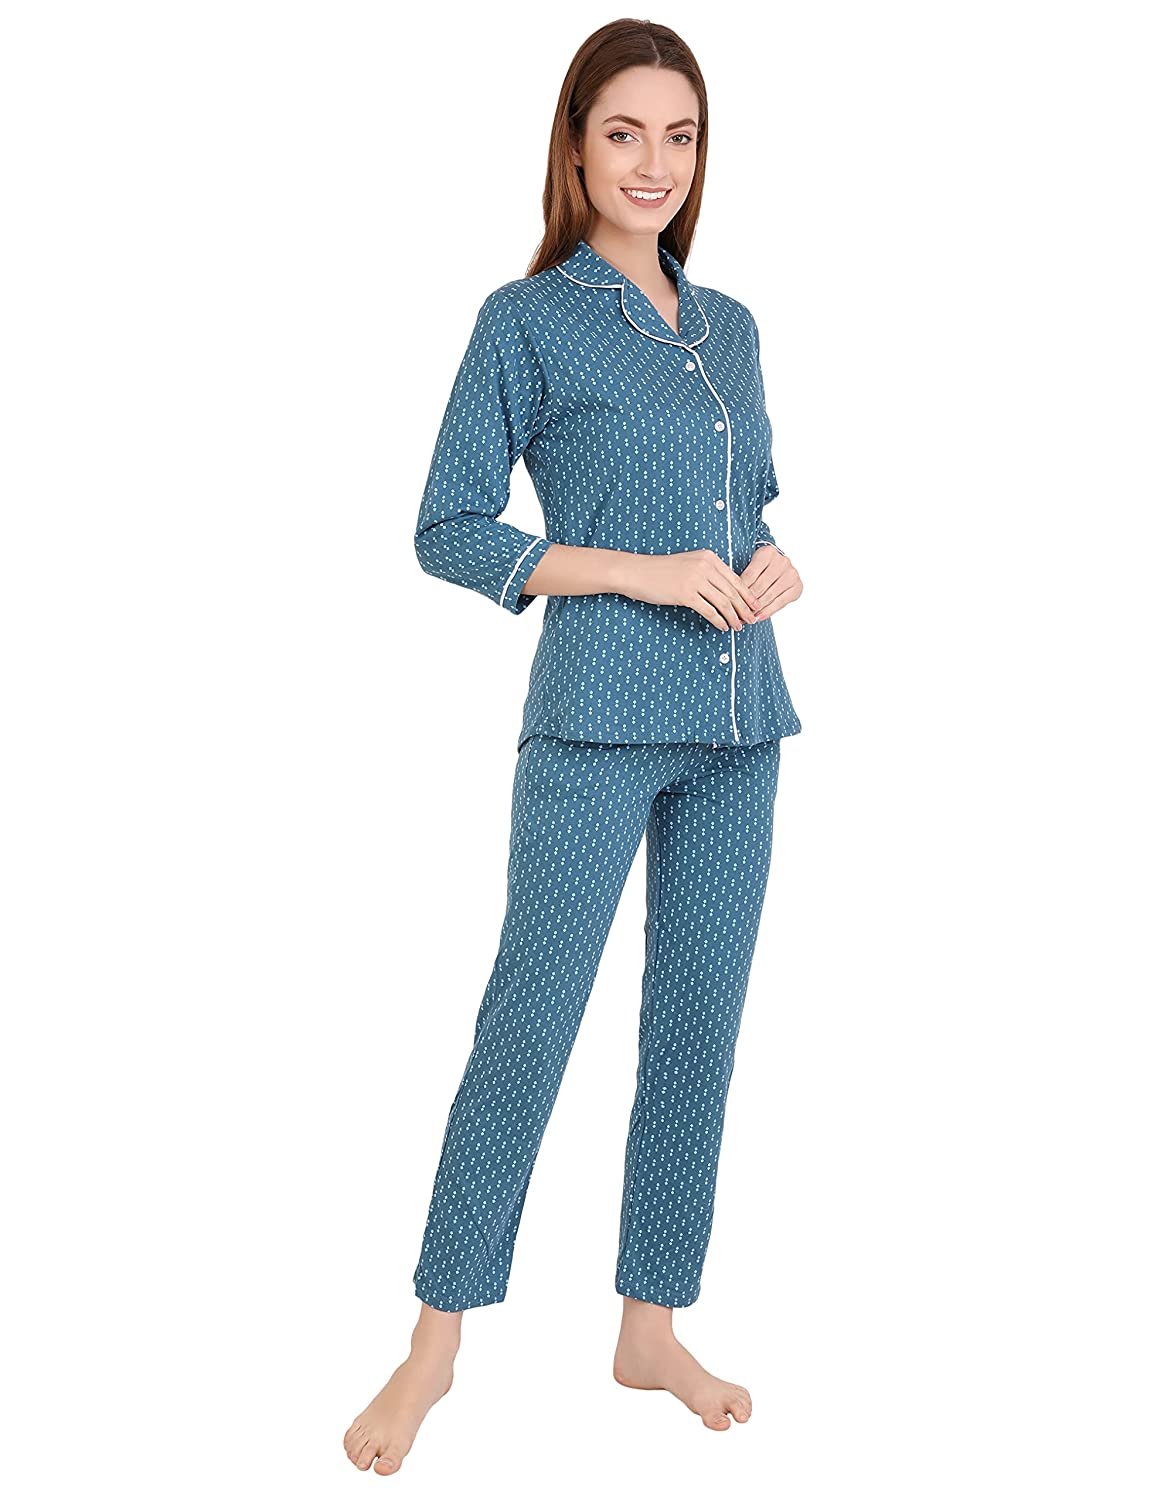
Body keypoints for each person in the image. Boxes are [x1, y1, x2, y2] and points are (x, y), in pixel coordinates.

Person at [344, 18, 803, 1475]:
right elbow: (448, 528)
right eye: (624, 132)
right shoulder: (525, 320)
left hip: (740, 717)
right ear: (576, 147)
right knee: (530, 1020)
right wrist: (635, 571)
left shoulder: (730, 325)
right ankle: (434, 1343)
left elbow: (743, 512)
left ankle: (649, 1324)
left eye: (679, 135)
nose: (653, 162)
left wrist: (772, 563)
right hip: (595, 713)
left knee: (698, 1027)